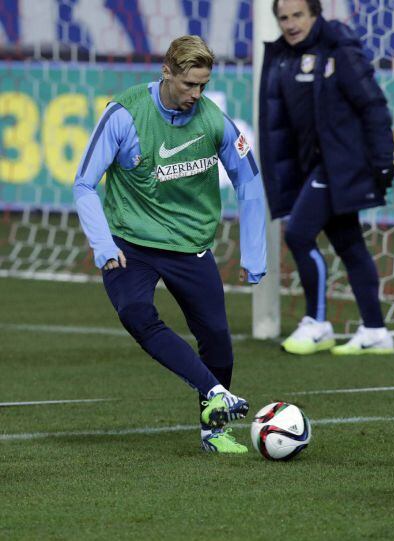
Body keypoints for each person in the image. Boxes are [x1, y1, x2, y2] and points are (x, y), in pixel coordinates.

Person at [73, 35, 267, 454]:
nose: (196, 95)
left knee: (217, 338)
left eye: (203, 85)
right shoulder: (124, 115)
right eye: (189, 85)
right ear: (167, 72)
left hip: (191, 246)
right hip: (131, 245)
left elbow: (249, 182)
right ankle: (216, 394)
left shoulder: (214, 121)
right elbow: (84, 184)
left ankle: (214, 432)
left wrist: (255, 251)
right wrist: (103, 244)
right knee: (137, 314)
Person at [259, 0, 394, 355]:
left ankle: (317, 323)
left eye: (298, 15)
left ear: (315, 15)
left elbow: (373, 105)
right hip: (314, 167)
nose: (290, 24)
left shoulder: (338, 50)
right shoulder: (283, 56)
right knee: (349, 244)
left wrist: (383, 159)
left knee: (298, 234)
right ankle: (375, 331)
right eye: (283, 17)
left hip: (341, 165)